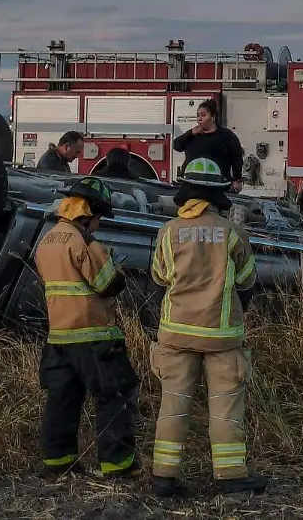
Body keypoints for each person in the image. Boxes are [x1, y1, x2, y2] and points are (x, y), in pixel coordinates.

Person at [146, 157, 268, 497]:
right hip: (221, 336)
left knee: (173, 404)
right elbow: (247, 282)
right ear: (217, 195)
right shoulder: (232, 233)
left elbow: (159, 279)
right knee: (226, 407)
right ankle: (230, 476)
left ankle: (164, 477)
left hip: (176, 334)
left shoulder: (168, 232)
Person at [32, 177, 141, 479]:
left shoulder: (47, 240)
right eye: (99, 217)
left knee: (62, 399)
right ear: (88, 212)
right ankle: (118, 464)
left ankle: (58, 461)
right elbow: (107, 285)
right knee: (115, 394)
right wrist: (117, 269)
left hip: (59, 337)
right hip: (95, 336)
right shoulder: (83, 242)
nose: (98, 224)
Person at [173, 99, 245, 193]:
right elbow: (176, 146)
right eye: (198, 116)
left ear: (213, 117)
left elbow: (237, 157)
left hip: (218, 186)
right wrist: (190, 133)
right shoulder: (193, 135)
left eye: (203, 115)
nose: (199, 119)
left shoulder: (226, 135)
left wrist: (237, 180)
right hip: (191, 185)